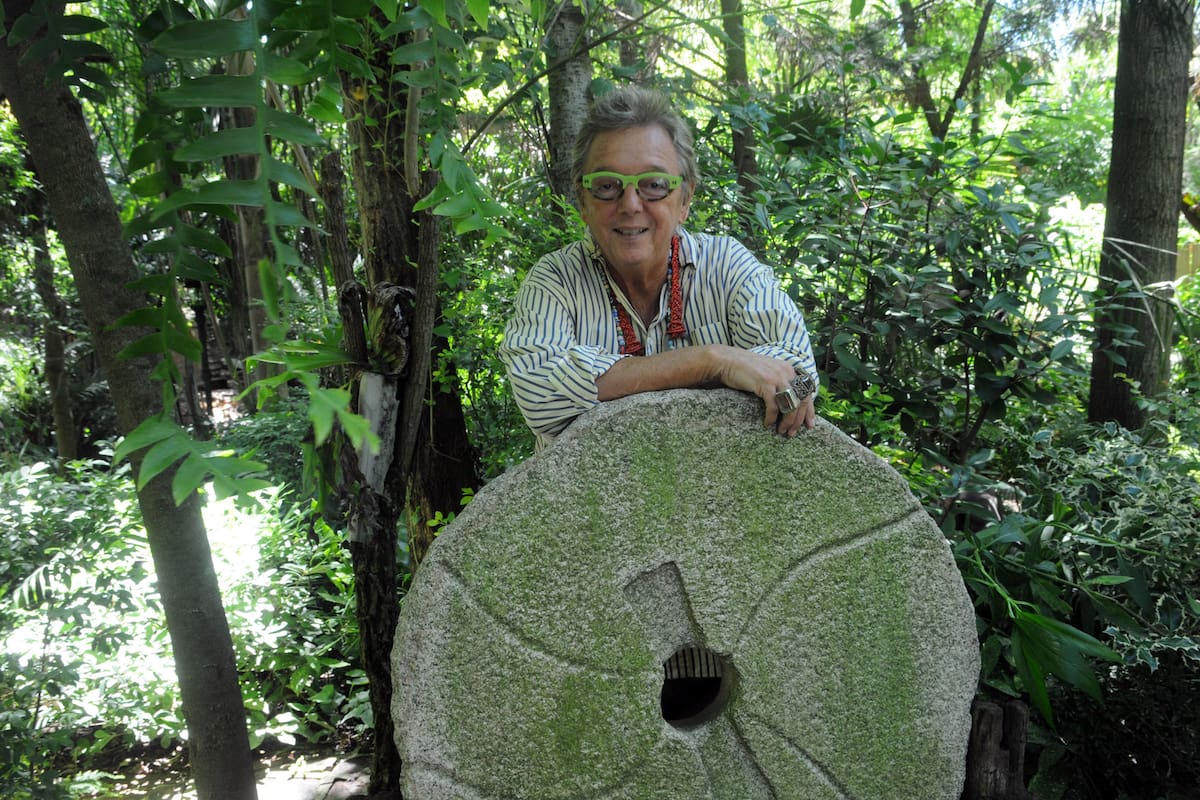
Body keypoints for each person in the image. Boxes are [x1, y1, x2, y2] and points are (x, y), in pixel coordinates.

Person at [501, 86, 818, 448]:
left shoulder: (727, 266)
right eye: (606, 186)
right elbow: (537, 393)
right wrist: (712, 361)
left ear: (685, 199)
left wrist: (612, 382)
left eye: (654, 185)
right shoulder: (555, 281)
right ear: (582, 201)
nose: (630, 204)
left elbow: (796, 374)